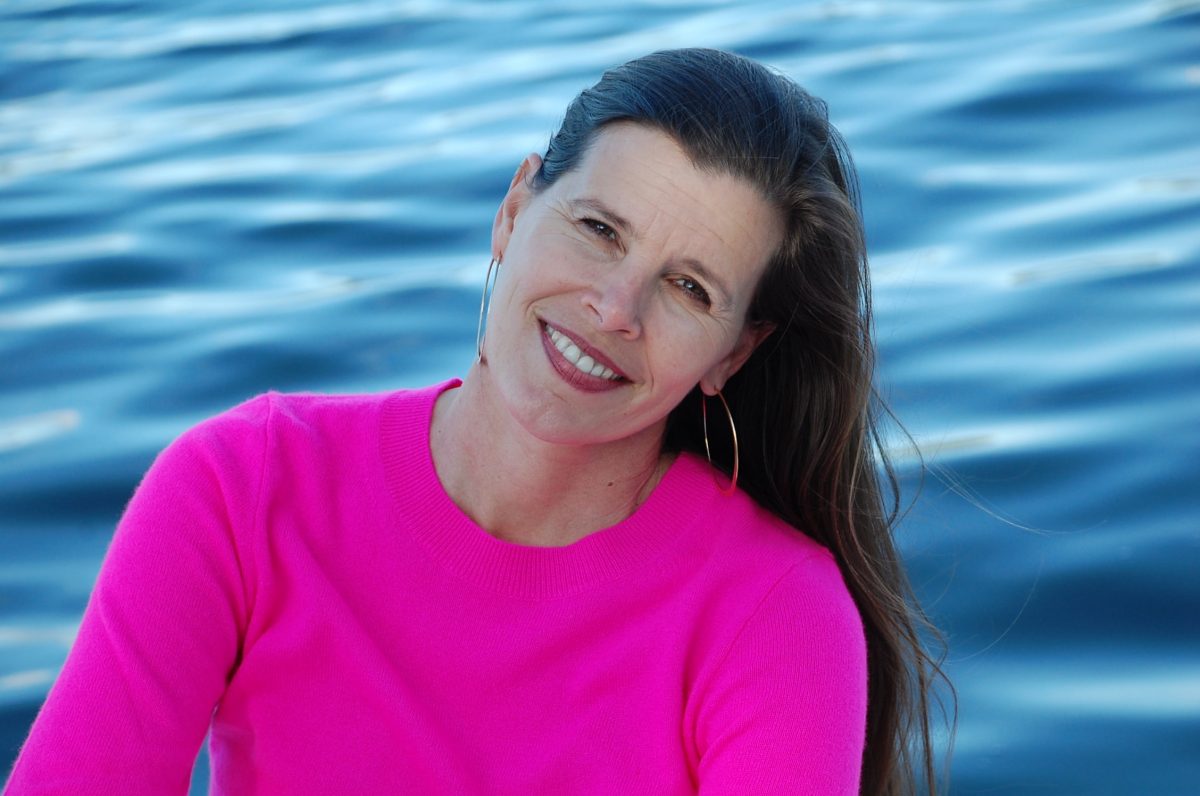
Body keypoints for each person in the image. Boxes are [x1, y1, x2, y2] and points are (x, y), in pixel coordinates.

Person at [4, 48, 947, 795]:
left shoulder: (775, 615)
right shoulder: (241, 489)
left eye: (689, 288)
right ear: (514, 208)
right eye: (598, 229)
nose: (615, 307)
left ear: (732, 354)